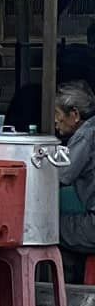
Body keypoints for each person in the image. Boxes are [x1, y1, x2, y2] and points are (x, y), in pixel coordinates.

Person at [54, 80, 95, 261]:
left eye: (57, 113)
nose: (55, 120)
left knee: (44, 226)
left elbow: (60, 176)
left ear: (74, 115)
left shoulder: (86, 136)